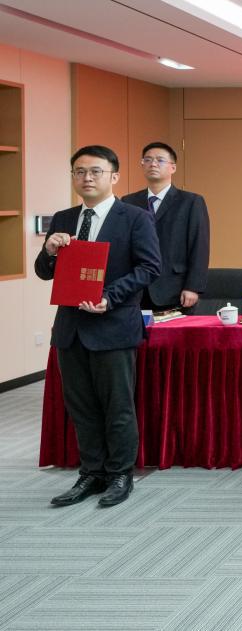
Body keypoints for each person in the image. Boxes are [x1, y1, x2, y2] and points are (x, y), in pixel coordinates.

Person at [36, 145, 161, 507]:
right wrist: (49, 251)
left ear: (114, 176)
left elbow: (149, 267)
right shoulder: (63, 218)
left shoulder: (135, 218)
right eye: (79, 172)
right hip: (71, 329)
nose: (87, 178)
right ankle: (91, 473)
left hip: (114, 325)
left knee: (117, 406)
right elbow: (44, 272)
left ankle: (120, 474)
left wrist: (111, 296)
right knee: (81, 406)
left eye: (95, 171)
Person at [120, 141, 209, 314]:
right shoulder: (128, 201)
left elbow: (199, 246)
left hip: (175, 288)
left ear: (173, 168)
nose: (153, 164)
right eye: (147, 160)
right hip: (135, 288)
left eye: (160, 160)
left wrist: (193, 287)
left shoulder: (191, 201)